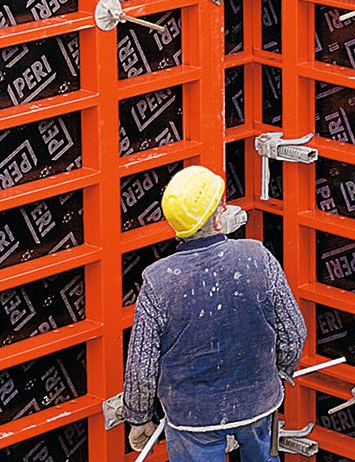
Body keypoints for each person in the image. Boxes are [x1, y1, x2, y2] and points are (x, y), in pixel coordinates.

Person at [123, 166, 307, 462]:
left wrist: (138, 416)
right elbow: (294, 332)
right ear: (219, 217)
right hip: (258, 403)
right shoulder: (257, 256)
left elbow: (141, 366)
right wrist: (276, 374)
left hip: (191, 417)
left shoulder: (158, 280)